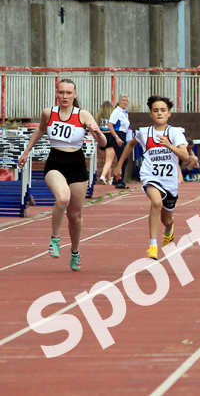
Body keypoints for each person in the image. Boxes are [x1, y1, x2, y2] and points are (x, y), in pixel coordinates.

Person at [16, 79, 107, 271]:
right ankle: (55, 239)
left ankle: (75, 252)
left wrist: (97, 133)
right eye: (61, 92)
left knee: (75, 216)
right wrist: (26, 152)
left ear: (75, 94)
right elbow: (41, 129)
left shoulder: (82, 114)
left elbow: (103, 143)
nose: (64, 96)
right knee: (63, 197)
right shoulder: (49, 113)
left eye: (68, 93)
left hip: (77, 166)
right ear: (56, 94)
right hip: (55, 163)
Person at [113, 96, 189, 260]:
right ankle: (153, 246)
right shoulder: (144, 132)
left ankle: (169, 229)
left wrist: (169, 145)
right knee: (156, 202)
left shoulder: (175, 133)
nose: (159, 113)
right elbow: (130, 144)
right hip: (150, 176)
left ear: (169, 113)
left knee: (167, 219)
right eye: (155, 111)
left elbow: (186, 156)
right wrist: (119, 165)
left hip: (169, 182)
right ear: (151, 114)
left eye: (163, 110)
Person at [108, 94, 131, 189]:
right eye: (123, 100)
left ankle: (116, 179)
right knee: (123, 158)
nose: (125, 102)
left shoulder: (125, 113)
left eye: (126, 100)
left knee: (123, 158)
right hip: (117, 135)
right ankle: (119, 181)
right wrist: (117, 137)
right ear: (119, 101)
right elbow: (110, 125)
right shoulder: (116, 112)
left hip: (123, 135)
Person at [95, 101, 116, 185]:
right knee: (109, 161)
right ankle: (103, 176)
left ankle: (109, 179)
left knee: (106, 161)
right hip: (110, 136)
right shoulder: (112, 116)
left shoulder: (98, 116)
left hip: (102, 137)